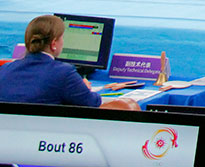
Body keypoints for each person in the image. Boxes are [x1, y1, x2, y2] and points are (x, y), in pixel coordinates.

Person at [0, 15, 139, 110]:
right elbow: (92, 103)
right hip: (49, 138)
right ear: (54, 43)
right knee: (128, 106)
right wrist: (82, 88)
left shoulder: (5, 69)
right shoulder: (63, 73)